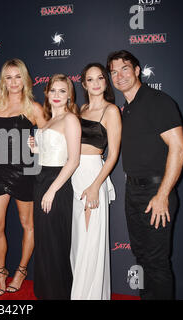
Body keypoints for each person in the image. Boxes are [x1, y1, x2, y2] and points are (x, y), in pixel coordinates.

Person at [107, 50, 183, 300]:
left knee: (156, 263)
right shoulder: (126, 109)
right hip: (133, 192)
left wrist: (162, 195)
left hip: (156, 193)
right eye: (114, 72)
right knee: (141, 258)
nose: (119, 76)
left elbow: (180, 147)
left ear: (137, 70)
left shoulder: (157, 101)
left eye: (125, 69)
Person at [0, 58, 46, 295]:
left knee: (27, 225)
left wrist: (38, 146)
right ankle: (1, 272)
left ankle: (21, 271)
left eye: (18, 76)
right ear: (4, 81)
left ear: (25, 78)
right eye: (8, 77)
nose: (13, 82)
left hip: (24, 173)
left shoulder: (34, 108)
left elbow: (53, 142)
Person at [70, 63, 121, 300]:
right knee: (79, 241)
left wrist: (95, 186)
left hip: (93, 176)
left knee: (91, 239)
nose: (96, 83)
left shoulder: (111, 111)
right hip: (74, 174)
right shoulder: (82, 109)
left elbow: (112, 156)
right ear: (84, 84)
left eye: (100, 78)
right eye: (90, 79)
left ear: (105, 81)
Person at [28, 74, 81, 300]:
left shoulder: (70, 119)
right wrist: (36, 148)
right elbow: (51, 151)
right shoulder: (48, 120)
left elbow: (73, 160)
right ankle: (45, 292)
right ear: (47, 93)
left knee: (55, 242)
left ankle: (57, 294)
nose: (57, 95)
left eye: (62, 91)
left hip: (56, 184)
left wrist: (52, 190)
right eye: (53, 91)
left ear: (69, 95)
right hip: (41, 179)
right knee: (44, 240)